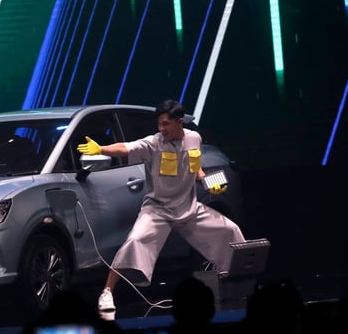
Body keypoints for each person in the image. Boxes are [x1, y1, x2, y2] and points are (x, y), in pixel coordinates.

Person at [77, 99, 245, 315]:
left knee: (230, 231)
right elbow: (126, 147)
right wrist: (101, 148)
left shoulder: (194, 138)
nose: (161, 129)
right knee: (135, 241)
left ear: (179, 122)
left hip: (189, 208)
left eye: (166, 124)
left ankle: (238, 282)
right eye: (159, 124)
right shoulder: (154, 143)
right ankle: (107, 292)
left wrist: (208, 183)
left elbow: (195, 168)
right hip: (158, 210)